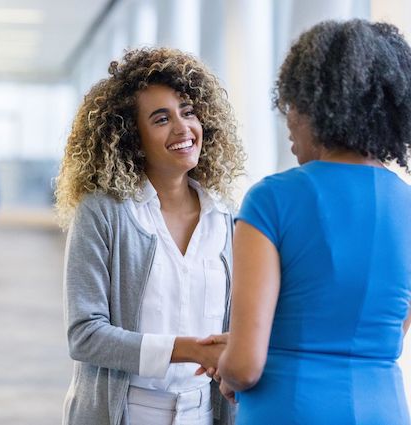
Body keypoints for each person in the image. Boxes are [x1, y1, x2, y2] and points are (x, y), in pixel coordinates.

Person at [217, 19, 411, 424]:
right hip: (384, 409)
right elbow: (392, 331)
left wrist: (227, 367)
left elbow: (245, 366)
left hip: (289, 408)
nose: (287, 119)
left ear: (316, 105)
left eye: (292, 104)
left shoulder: (270, 201)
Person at [56, 47, 245, 425]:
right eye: (161, 119)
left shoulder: (225, 219)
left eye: (188, 112)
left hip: (204, 413)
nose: (182, 128)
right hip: (125, 413)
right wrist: (191, 350)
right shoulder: (104, 213)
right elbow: (85, 334)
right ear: (131, 136)